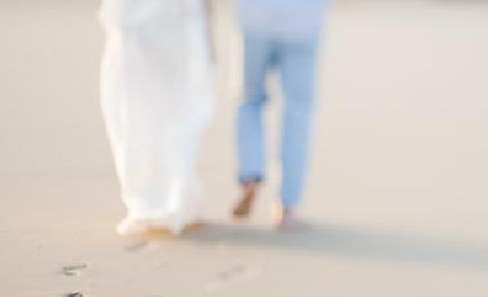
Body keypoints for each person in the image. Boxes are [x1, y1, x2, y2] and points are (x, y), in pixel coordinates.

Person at [99, 0, 214, 236]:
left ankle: (161, 198)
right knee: (169, 112)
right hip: (157, 25)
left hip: (157, 24)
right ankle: (166, 198)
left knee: (143, 114)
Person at [232, 0, 330, 228]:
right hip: (304, 21)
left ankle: (250, 175)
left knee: (249, 101)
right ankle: (286, 204)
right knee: (298, 111)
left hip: (254, 16)